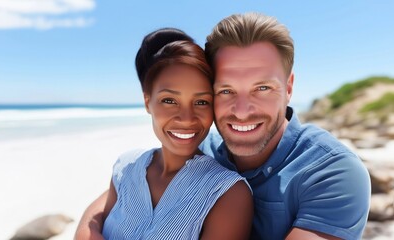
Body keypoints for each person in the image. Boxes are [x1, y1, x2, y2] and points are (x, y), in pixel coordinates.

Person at [76, 12, 371, 240]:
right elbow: (111, 198)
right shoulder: (202, 149)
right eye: (226, 91)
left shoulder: (332, 173)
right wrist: (88, 232)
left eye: (262, 88)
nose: (242, 111)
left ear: (289, 86)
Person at [97, 28, 253, 239]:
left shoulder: (228, 193)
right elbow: (95, 219)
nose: (186, 118)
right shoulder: (126, 167)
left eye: (201, 102)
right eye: (169, 100)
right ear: (147, 102)